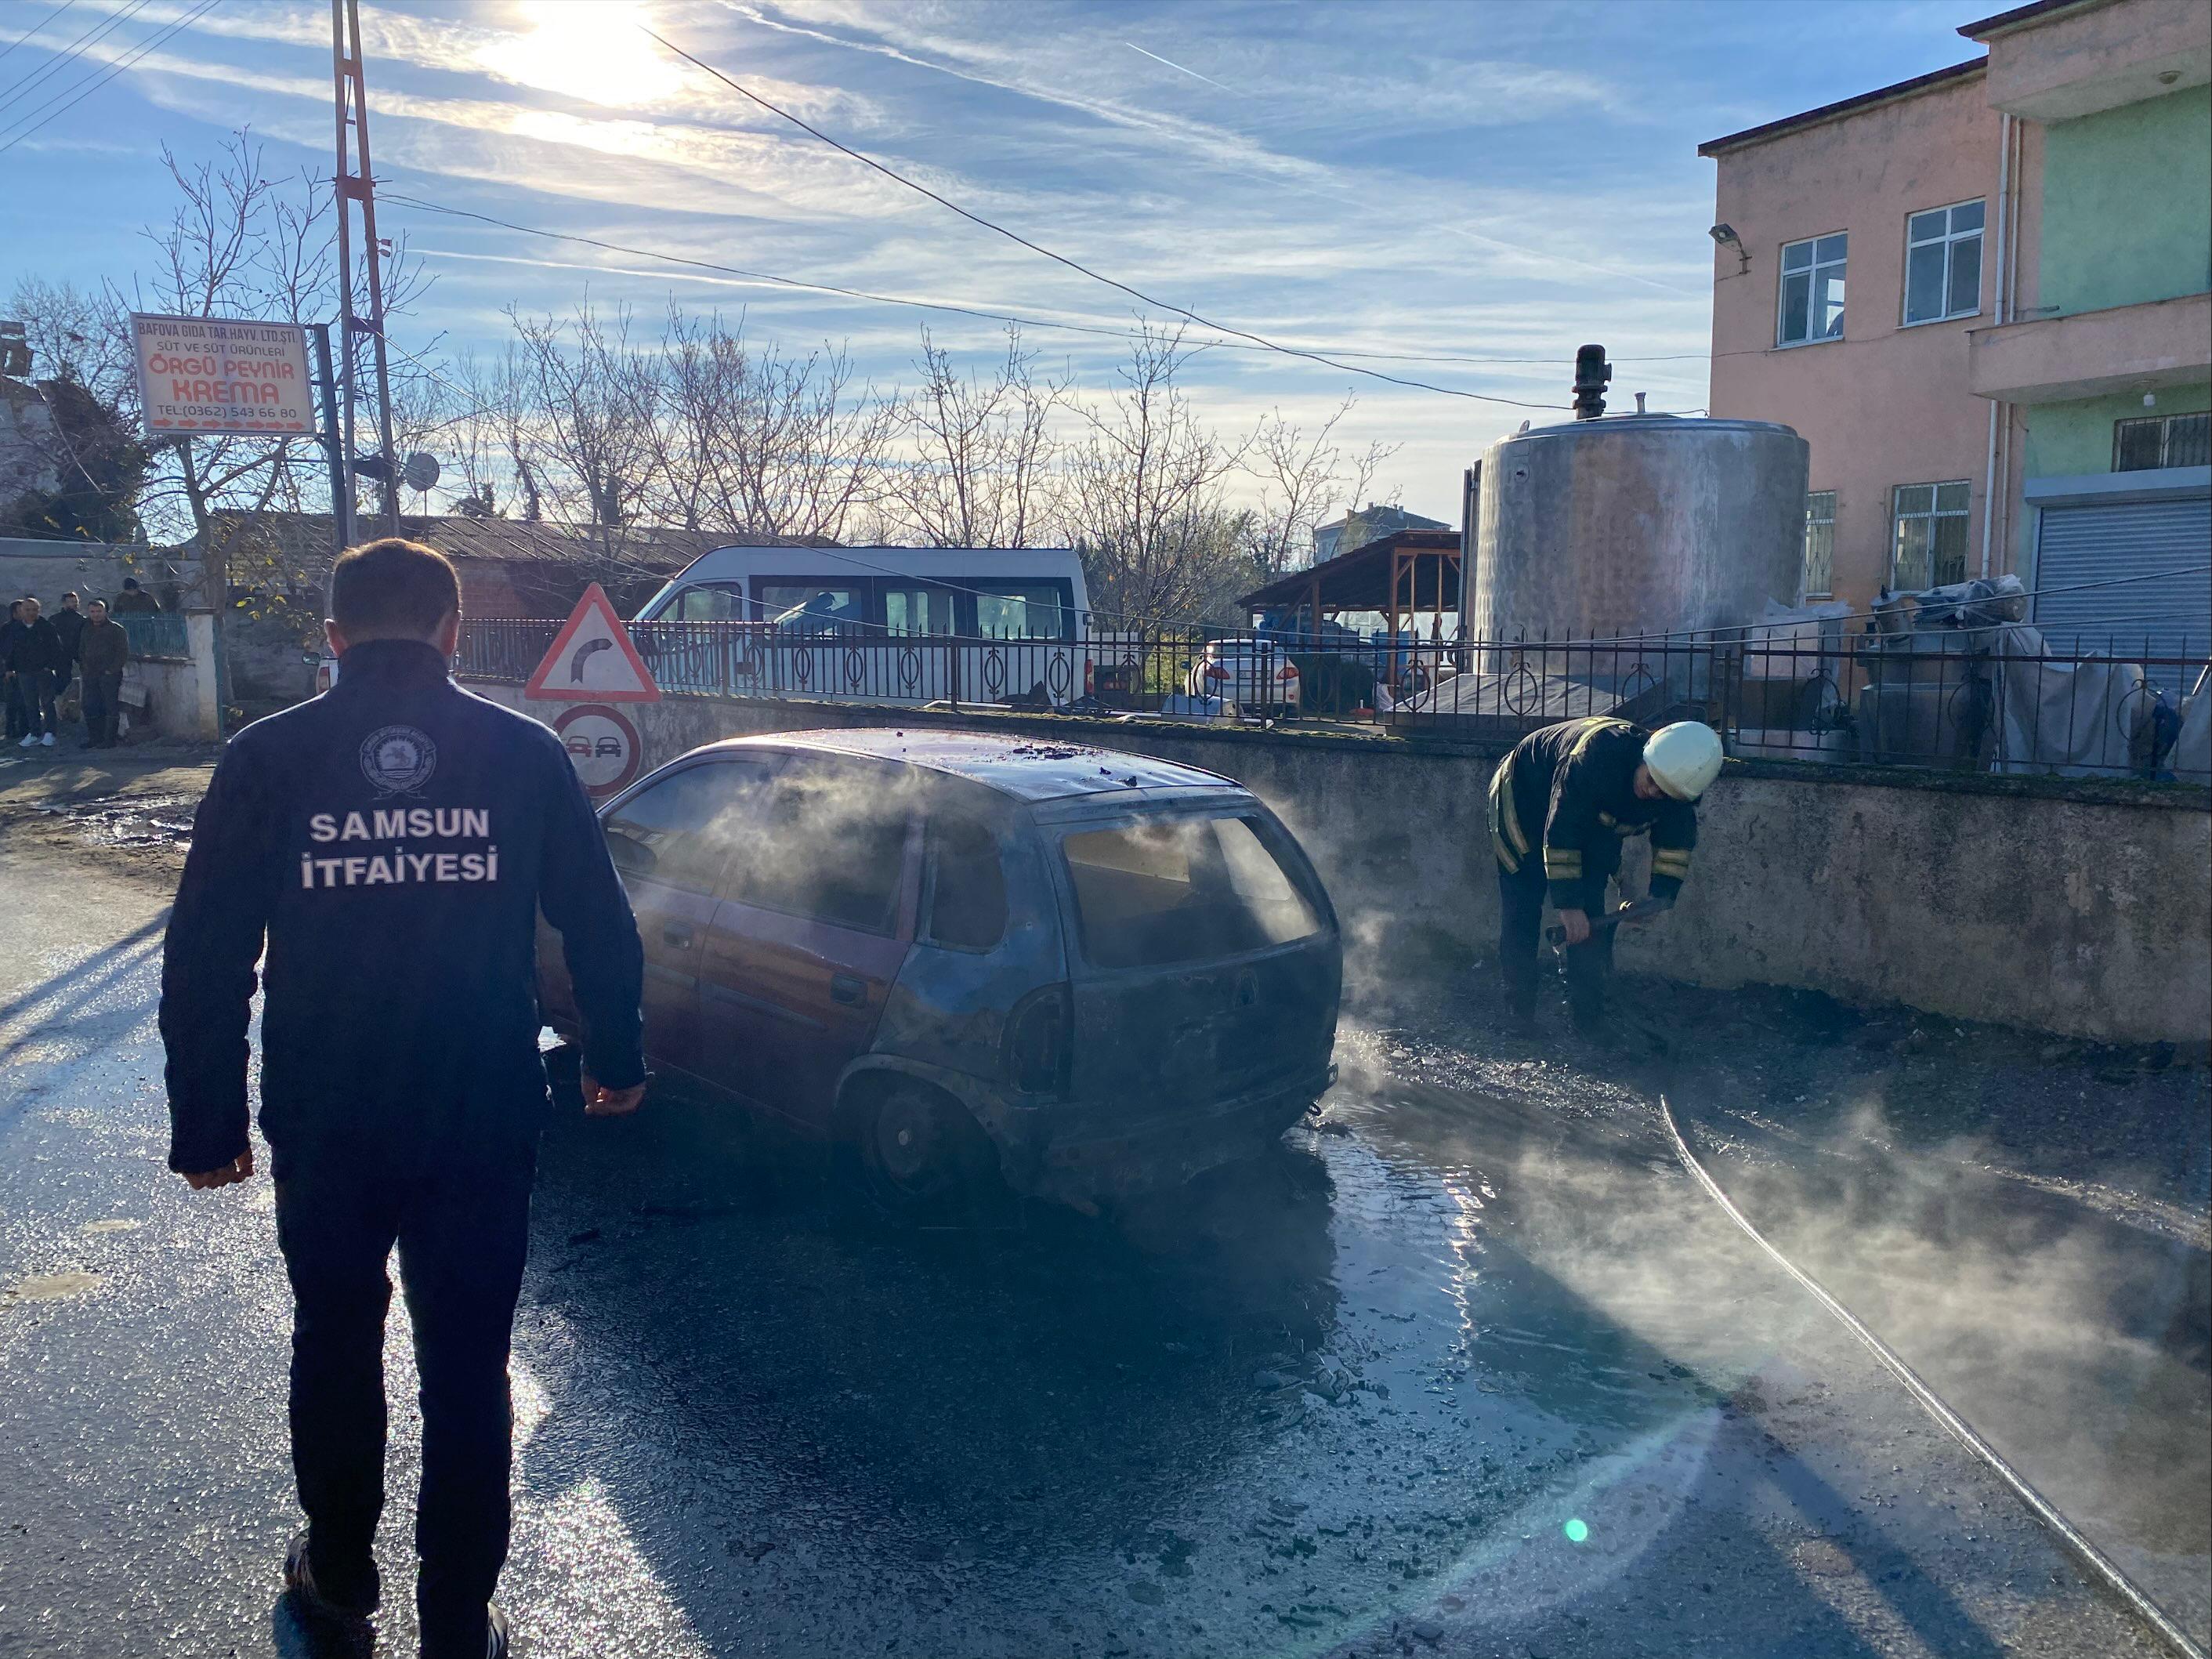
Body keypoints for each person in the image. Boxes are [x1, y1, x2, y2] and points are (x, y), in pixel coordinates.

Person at [159, 537, 648, 1659]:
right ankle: (459, 1618)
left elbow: (207, 953)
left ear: (332, 637)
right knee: (468, 1363)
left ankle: (338, 1578)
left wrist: (207, 1120)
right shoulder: (520, 752)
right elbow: (598, 918)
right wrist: (614, 1056)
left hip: (327, 1114)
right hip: (479, 1109)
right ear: (453, 632)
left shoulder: (268, 755)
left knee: (335, 1338)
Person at [1487, 716, 1723, 1040]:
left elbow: (1674, 847)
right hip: (1525, 797)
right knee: (1523, 903)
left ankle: (1588, 1019)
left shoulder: (1675, 793)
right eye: (1651, 780)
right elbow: (1563, 832)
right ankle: (1518, 1012)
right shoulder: (1594, 760)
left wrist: (1656, 899)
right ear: (1644, 758)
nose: (1652, 792)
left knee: (1591, 914)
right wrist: (1569, 907)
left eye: (1664, 793)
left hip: (1586, 817)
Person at [9, 595, 65, 748]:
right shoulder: (16, 628)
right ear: (21, 611)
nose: (31, 613)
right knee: (30, 703)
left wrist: (50, 666)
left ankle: (50, 733)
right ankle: (34, 733)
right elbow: (11, 650)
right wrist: (10, 668)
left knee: (47, 702)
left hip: (43, 671)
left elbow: (57, 649)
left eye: (34, 610)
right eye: (27, 610)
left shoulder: (47, 627)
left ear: (39, 610)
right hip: (24, 672)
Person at [77, 597, 129, 749]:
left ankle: (109, 740)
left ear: (106, 611)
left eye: (99, 611)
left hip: (109, 675)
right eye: (93, 612)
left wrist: (111, 670)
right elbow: (82, 649)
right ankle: (95, 738)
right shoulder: (86, 629)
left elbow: (122, 653)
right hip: (90, 674)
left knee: (109, 706)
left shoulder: (116, 630)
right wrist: (84, 667)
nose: (96, 614)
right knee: (90, 705)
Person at [2, 599, 24, 744]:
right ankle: (10, 729)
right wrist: (7, 669)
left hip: (26, 670)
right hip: (10, 671)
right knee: (12, 701)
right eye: (21, 610)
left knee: (26, 701)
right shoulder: (7, 629)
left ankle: (25, 729)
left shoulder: (29, 627)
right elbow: (5, 650)